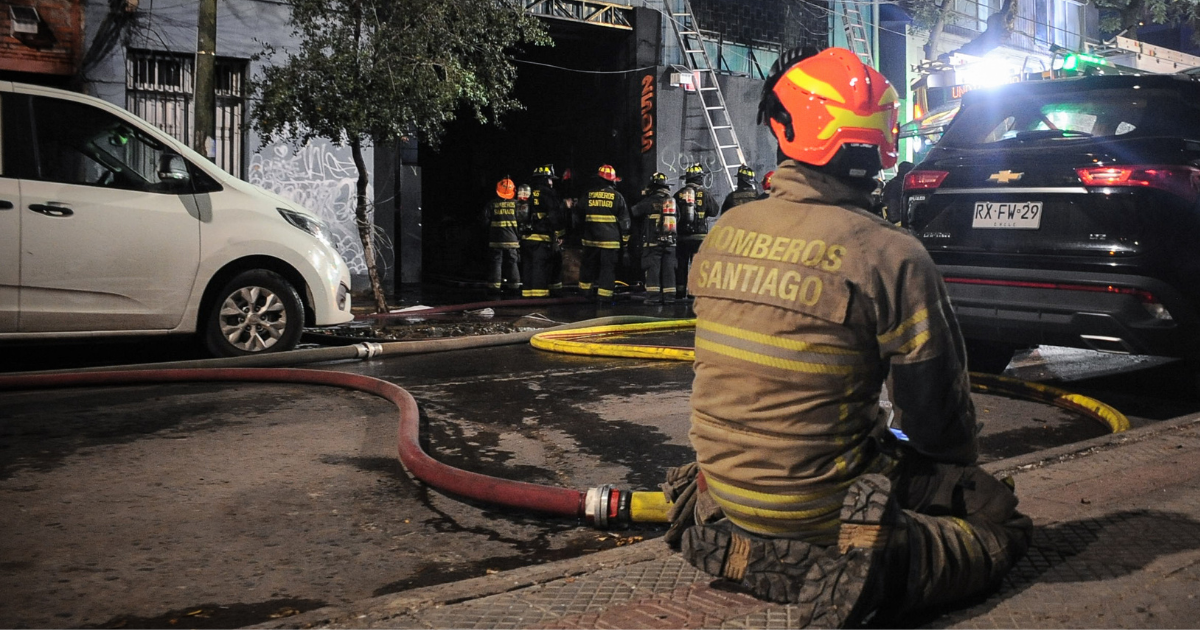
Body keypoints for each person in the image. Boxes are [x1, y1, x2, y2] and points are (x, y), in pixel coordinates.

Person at [668, 47, 1032, 627]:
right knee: (997, 514)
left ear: (783, 130)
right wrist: (952, 480)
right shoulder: (891, 254)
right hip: (822, 500)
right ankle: (877, 565)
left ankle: (744, 540)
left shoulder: (726, 230)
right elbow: (936, 416)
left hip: (728, 487)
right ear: (882, 142)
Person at [577, 164, 630, 303]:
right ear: (612, 181)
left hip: (590, 240)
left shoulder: (588, 195)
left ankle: (584, 294)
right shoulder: (617, 197)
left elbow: (577, 216)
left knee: (588, 267)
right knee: (607, 269)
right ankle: (604, 298)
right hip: (610, 242)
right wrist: (625, 242)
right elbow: (625, 222)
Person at [629, 172, 677, 304]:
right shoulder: (672, 202)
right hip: (671, 243)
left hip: (653, 243)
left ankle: (653, 298)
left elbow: (633, 212)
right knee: (669, 270)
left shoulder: (648, 202)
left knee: (652, 269)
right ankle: (669, 298)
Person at [522, 165, 565, 298]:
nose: (552, 182)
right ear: (546, 179)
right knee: (540, 269)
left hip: (525, 238)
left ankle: (527, 298)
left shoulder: (526, 191)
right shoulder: (548, 192)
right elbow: (555, 215)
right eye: (551, 179)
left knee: (528, 268)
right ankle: (539, 301)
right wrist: (560, 233)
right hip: (542, 238)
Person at [674, 163, 710, 299]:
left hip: (682, 236)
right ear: (699, 179)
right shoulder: (705, 193)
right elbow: (714, 210)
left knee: (681, 265)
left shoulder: (678, 194)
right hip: (699, 237)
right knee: (697, 266)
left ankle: (680, 292)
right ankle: (694, 293)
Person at [483, 177, 521, 296]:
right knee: (513, 262)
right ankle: (514, 287)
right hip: (513, 240)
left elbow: (484, 221)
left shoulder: (492, 204)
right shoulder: (517, 205)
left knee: (496, 262)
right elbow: (522, 222)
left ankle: (494, 288)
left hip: (496, 240)